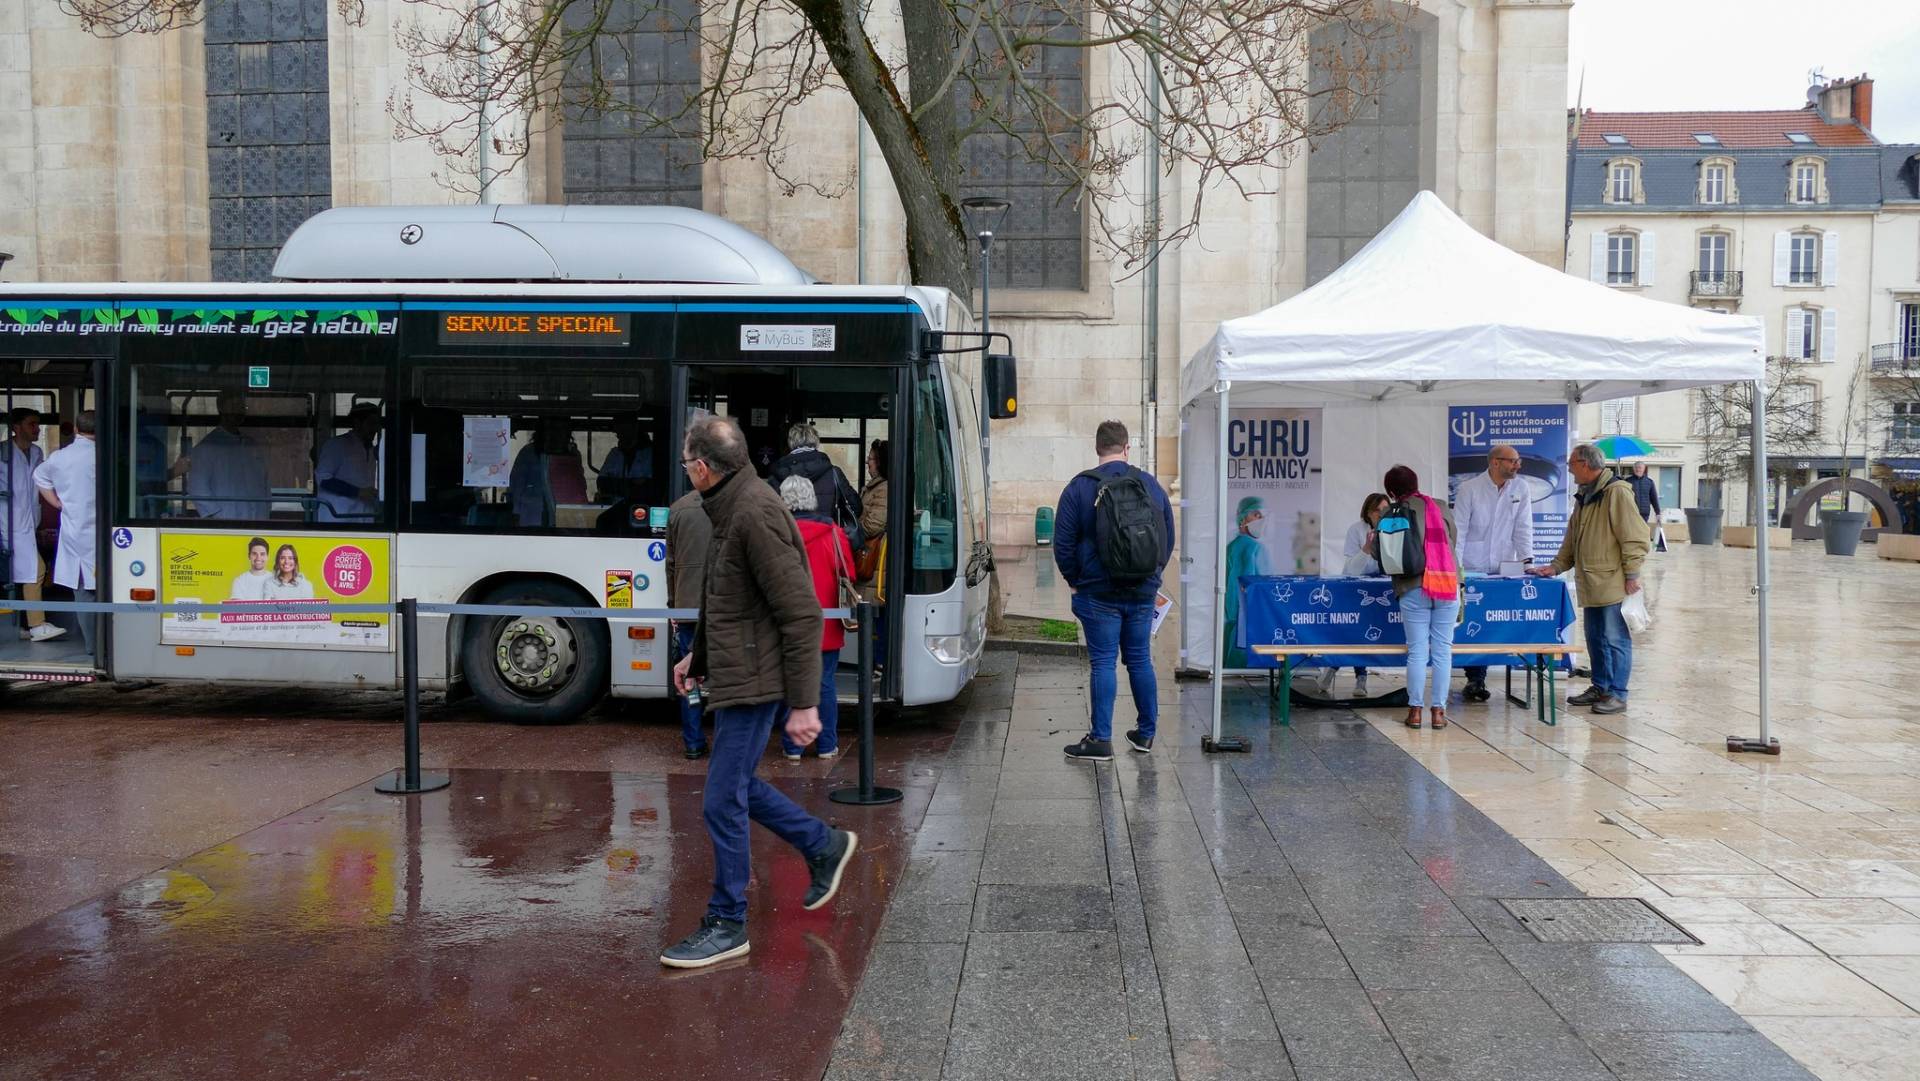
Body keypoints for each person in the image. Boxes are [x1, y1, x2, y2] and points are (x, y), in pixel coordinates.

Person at [664, 414, 858, 969]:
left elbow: (799, 614)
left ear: (702, 469)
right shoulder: (730, 505)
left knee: (722, 797)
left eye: (685, 462)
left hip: (756, 680)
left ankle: (728, 921)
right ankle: (822, 844)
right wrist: (696, 659)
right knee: (736, 787)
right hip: (739, 672)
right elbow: (728, 602)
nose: (686, 470)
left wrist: (803, 704)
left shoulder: (753, 512)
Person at [1053, 420, 1175, 761]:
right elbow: (1167, 537)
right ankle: (1146, 734)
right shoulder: (1150, 485)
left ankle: (1101, 739)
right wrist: (1152, 574)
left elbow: (1063, 543)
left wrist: (1074, 580)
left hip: (1097, 593)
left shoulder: (1079, 488)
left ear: (1097, 448)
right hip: (1142, 591)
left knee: (1103, 662)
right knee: (1139, 660)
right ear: (1127, 447)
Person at [1529, 443, 1649, 715]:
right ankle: (1600, 686)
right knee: (1595, 637)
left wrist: (1632, 574)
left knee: (1615, 638)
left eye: (1571, 464)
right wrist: (1556, 566)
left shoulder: (1615, 492)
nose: (1569, 469)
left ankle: (1617, 693)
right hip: (1592, 582)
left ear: (1585, 464)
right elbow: (1573, 538)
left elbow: (1634, 537)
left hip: (1612, 581)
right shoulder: (1585, 495)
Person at [776, 475, 855, 761]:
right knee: (825, 684)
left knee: (791, 682)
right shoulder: (834, 532)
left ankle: (793, 746)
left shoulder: (777, 532)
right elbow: (850, 573)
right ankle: (826, 745)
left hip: (788, 623)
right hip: (827, 623)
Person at [1452, 443, 1534, 702]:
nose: (1517, 465)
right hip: (1472, 566)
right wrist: (1456, 569)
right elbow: (1459, 531)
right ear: (1495, 462)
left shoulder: (1521, 488)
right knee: (1473, 622)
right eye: (1512, 461)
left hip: (1504, 565)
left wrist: (1527, 560)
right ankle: (1475, 678)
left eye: (1518, 460)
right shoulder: (1469, 489)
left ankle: (1482, 676)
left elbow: (1523, 527)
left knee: (1493, 621)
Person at [1384, 465, 1460, 730]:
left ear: (1392, 491)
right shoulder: (1439, 505)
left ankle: (1415, 712)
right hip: (1447, 582)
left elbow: (1384, 553)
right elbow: (1453, 539)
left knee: (1417, 651)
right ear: (1416, 484)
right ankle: (1438, 713)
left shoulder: (1393, 511)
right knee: (1442, 651)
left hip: (1413, 585)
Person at [33, 410, 97, 655]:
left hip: (75, 535)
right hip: (109, 536)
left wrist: (57, 503)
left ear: (77, 430)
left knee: (84, 594)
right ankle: (110, 645)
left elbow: (39, 477)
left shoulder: (60, 457)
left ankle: (93, 647)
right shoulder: (108, 455)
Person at [4, 408, 60, 643]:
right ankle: (36, 625)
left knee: (27, 573)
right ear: (16, 427)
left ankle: (24, 626)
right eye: (31, 424)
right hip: (7, 524)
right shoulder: (3, 452)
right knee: (34, 572)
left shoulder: (36, 452)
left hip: (27, 524)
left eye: (37, 425)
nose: (37, 429)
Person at [665, 487, 712, 759]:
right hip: (721, 606)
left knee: (689, 677)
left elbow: (670, 564)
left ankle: (693, 741)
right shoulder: (731, 505)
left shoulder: (678, 508)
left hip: (687, 605)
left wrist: (673, 605)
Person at [768, 422, 863, 547]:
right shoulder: (833, 473)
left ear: (790, 443)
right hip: (827, 544)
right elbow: (855, 507)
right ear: (815, 442)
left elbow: (768, 515)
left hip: (789, 547)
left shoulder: (776, 476)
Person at [1335, 492, 1391, 697]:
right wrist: (1366, 549)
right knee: (1354, 633)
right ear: (1368, 512)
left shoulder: (1395, 529)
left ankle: (1334, 667)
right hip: (1357, 589)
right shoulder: (1356, 530)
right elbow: (1351, 569)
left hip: (1382, 589)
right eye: (1376, 511)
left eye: (1385, 510)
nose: (1380, 514)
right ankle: (1360, 675)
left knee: (1373, 634)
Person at [186, 391, 270, 520]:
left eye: (241, 407)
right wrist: (216, 516)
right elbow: (197, 487)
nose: (238, 411)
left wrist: (266, 510)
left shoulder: (251, 445)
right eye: (233, 406)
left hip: (258, 521)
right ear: (221, 408)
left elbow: (264, 483)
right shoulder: (207, 447)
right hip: (226, 524)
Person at [1220, 496, 1271, 669]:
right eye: (1256, 515)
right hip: (1246, 627)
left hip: (1233, 626)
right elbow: (1263, 590)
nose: (1261, 520)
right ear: (1243, 518)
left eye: (1262, 515)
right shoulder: (1254, 548)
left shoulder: (1231, 547)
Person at [509, 418, 588, 527]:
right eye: (554, 430)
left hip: (565, 515)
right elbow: (517, 485)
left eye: (563, 430)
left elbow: (580, 486)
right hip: (532, 515)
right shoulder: (528, 452)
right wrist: (516, 514)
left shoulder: (572, 455)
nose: (558, 434)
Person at [316, 401, 382, 523]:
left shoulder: (372, 450)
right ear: (357, 423)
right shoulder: (337, 445)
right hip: (338, 518)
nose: (375, 429)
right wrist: (358, 492)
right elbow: (323, 478)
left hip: (365, 518)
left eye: (377, 424)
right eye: (370, 423)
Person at [595, 415, 655, 502]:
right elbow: (602, 482)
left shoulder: (650, 454)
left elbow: (650, 485)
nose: (618, 435)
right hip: (615, 504)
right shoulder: (614, 454)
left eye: (623, 429)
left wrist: (618, 484)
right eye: (617, 431)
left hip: (642, 506)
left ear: (635, 428)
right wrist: (631, 484)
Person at [856, 439, 888, 582]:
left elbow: (874, 525)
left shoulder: (884, 488)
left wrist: (852, 532)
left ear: (880, 462)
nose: (867, 463)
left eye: (870, 459)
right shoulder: (876, 487)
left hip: (874, 561)